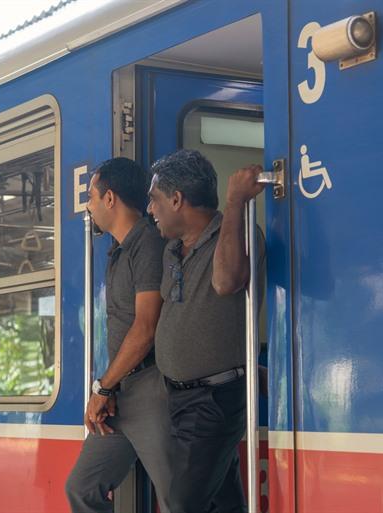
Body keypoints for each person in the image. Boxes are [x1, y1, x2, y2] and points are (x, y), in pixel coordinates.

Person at [147, 149, 265, 513]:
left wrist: (235, 202)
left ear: (177, 199)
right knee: (221, 502)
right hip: (180, 399)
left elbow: (227, 280)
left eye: (154, 200)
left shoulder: (239, 234)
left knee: (183, 503)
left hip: (214, 397)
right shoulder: (171, 251)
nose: (151, 210)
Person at [66, 157, 174, 512]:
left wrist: (103, 386)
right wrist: (111, 386)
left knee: (179, 499)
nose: (89, 207)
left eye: (92, 198)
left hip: (150, 390)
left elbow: (146, 328)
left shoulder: (148, 244)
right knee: (82, 488)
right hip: (121, 395)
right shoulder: (119, 250)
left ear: (110, 198)